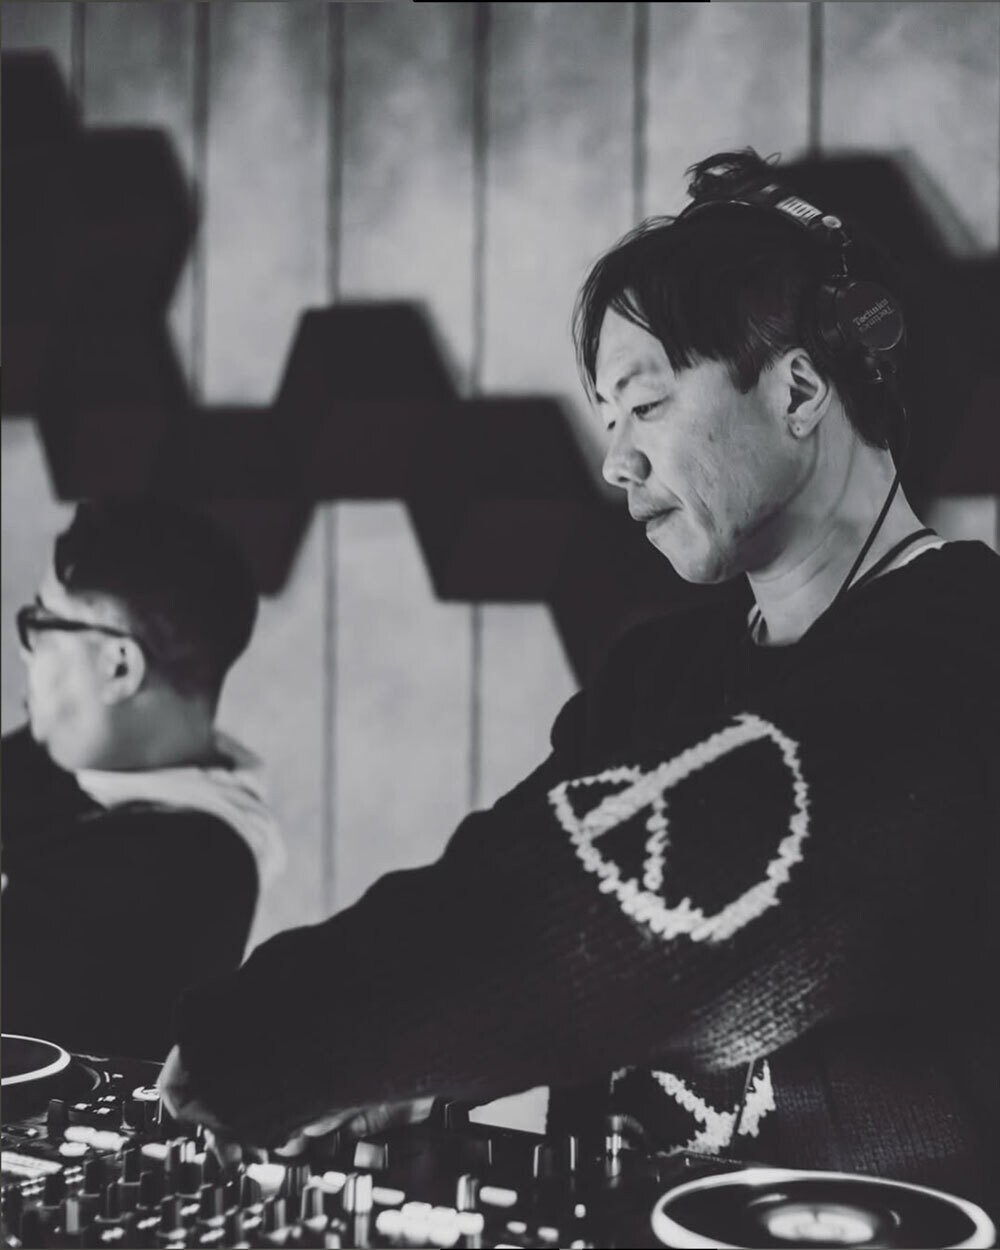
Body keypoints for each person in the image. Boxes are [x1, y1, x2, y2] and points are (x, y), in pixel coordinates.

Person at [159, 150, 999, 1214]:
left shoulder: (964, 651)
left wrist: (289, 1035)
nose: (617, 462)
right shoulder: (655, 674)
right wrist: (418, 1070)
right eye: (607, 418)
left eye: (645, 405)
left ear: (797, 389)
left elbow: (642, 908)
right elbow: (508, 873)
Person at [2, 498, 284, 1061]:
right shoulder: (73, 758)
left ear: (119, 666)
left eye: (40, 624)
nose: (25, 655)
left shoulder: (189, 871)